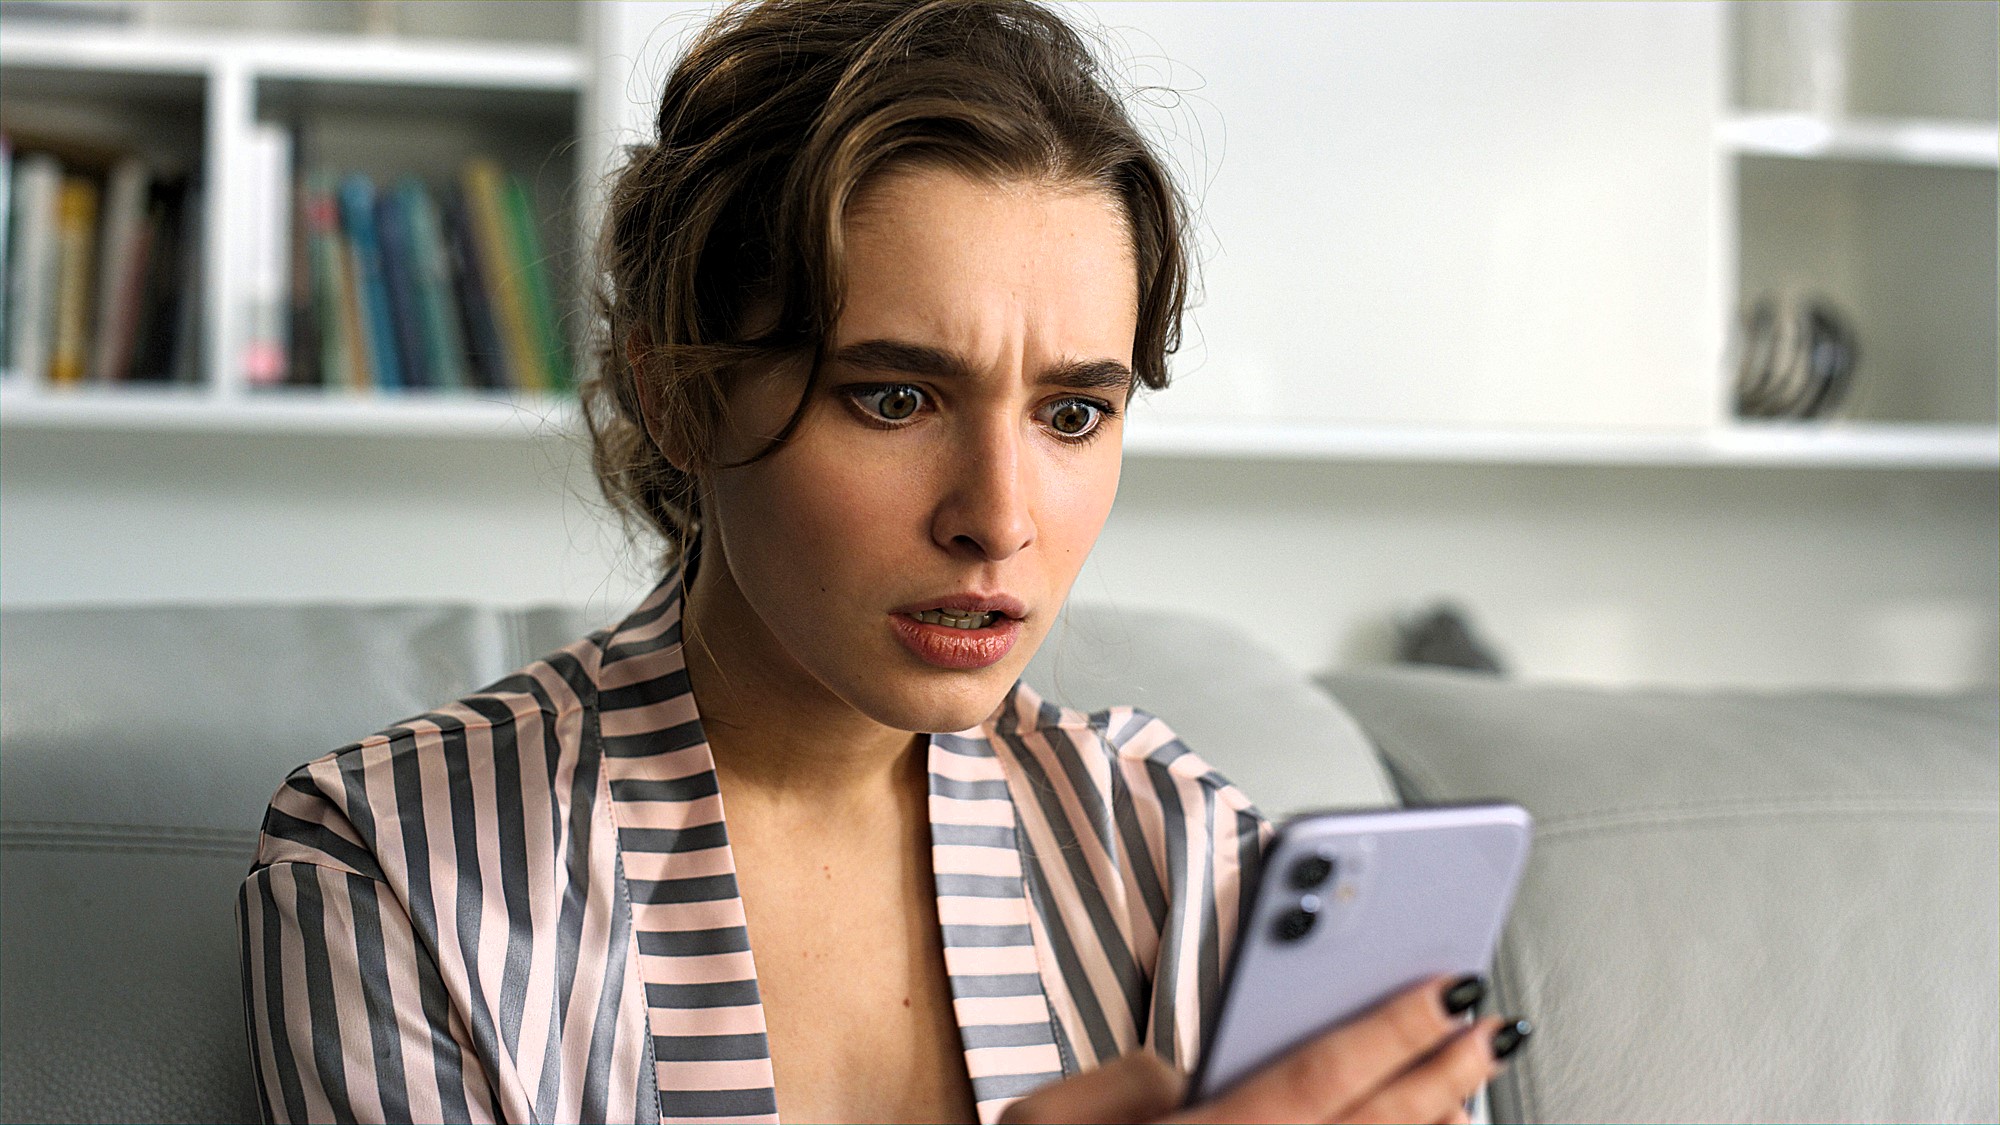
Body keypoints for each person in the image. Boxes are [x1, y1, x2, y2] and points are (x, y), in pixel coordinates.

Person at [238, 2, 1529, 1122]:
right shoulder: (400, 868)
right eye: (897, 398)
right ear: (680, 392)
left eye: (1073, 412)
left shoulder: (1180, 849)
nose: (1000, 518)